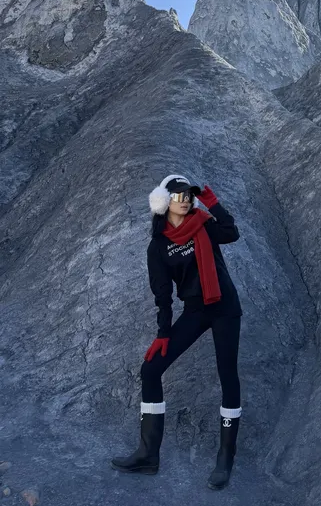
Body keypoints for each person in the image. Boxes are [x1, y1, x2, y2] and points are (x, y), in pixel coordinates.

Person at [111, 173, 243, 490]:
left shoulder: (206, 225)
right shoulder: (158, 246)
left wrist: (213, 202)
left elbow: (232, 233)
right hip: (195, 312)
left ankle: (225, 458)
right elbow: (163, 296)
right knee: (151, 370)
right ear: (163, 200)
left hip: (225, 308)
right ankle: (148, 455)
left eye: (189, 195)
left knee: (228, 375)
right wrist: (163, 333)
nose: (185, 199)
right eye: (178, 194)